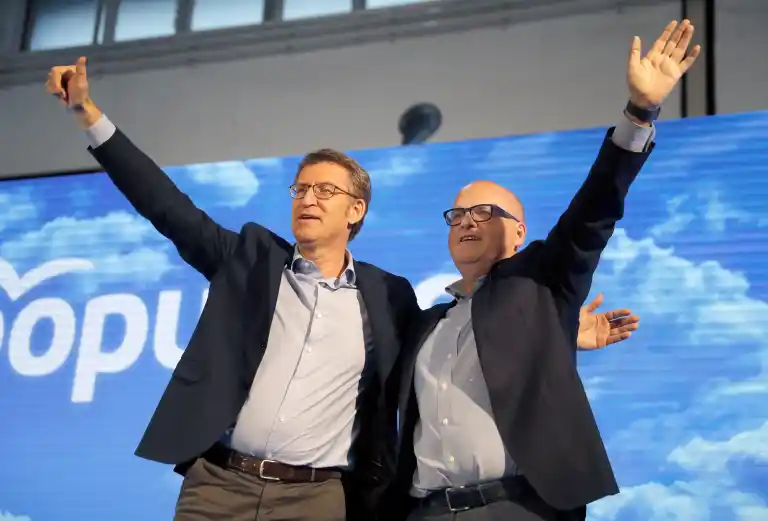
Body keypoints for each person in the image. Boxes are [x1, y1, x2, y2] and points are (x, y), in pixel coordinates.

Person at [45, 59, 637, 521]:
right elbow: (166, 207)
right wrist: (89, 118)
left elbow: (575, 236)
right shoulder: (250, 259)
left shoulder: (389, 298)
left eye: (325, 190)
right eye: (301, 189)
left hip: (319, 500)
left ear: (356, 210)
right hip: (219, 485)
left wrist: (554, 335)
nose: (308, 198)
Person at [388, 20, 700, 521]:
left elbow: (593, 212)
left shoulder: (539, 282)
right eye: (458, 214)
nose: (467, 221)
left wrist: (639, 113)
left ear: (518, 232)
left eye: (484, 212)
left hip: (517, 508)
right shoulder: (426, 324)